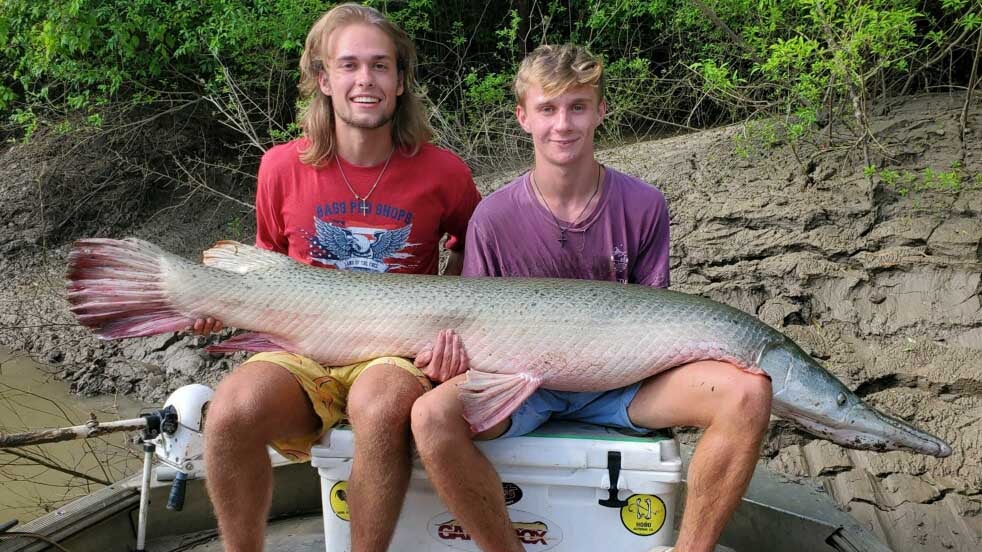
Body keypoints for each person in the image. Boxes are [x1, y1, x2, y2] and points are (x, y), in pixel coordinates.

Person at [409, 44, 772, 552]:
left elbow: (655, 322)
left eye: (578, 106)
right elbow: (475, 329)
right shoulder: (491, 217)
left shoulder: (644, 205)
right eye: (548, 108)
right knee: (430, 416)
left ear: (600, 111)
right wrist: (449, 359)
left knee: (748, 393)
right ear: (523, 117)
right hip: (522, 391)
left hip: (621, 384)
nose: (563, 124)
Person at [194, 4, 481, 552]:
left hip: (394, 349)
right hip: (302, 346)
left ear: (400, 81)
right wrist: (224, 304)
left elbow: (476, 244)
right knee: (230, 412)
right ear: (324, 79)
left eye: (380, 65)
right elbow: (267, 262)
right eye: (349, 65)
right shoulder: (280, 166)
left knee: (380, 406)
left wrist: (453, 320)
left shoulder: (445, 171)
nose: (365, 80)